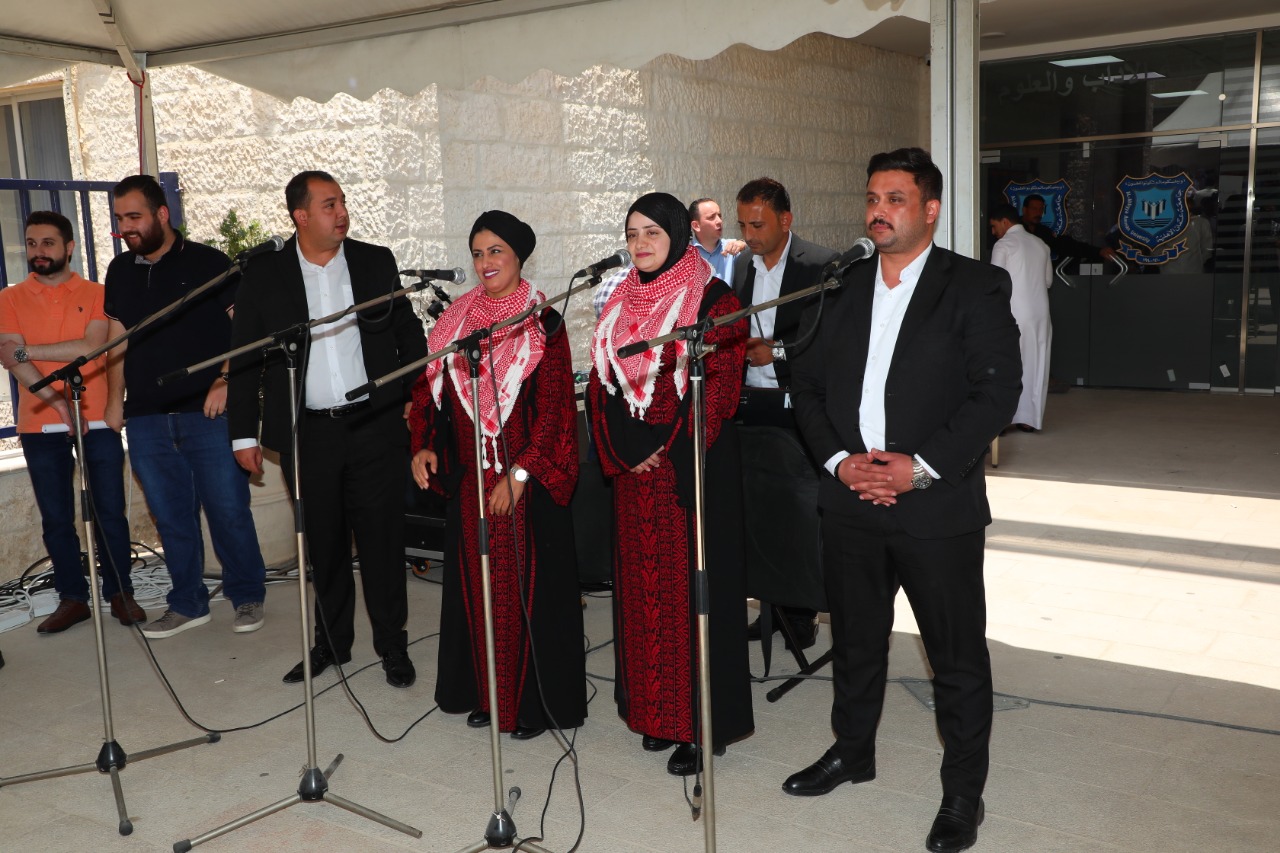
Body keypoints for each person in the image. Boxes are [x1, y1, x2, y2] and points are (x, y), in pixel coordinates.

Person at [786, 148, 1020, 853]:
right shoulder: (842, 283)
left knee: (955, 657)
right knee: (856, 643)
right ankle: (852, 752)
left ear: (930, 209)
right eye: (872, 198)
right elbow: (807, 385)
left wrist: (920, 469)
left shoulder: (974, 285)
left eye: (894, 198)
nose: (878, 211)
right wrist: (839, 463)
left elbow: (996, 393)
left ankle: (963, 793)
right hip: (851, 499)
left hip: (934, 506)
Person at [228, 170, 427, 688]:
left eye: (342, 202)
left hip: (374, 425)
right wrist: (243, 434)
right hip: (307, 433)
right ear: (300, 216)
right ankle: (332, 644)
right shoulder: (266, 274)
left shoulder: (374, 261)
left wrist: (412, 393)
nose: (342, 213)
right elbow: (245, 358)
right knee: (324, 544)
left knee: (383, 541)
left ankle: (392, 645)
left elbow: (408, 331)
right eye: (329, 205)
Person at [586, 191, 753, 776]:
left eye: (652, 232)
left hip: (690, 473)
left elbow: (719, 390)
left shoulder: (714, 298)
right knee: (643, 599)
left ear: (679, 236)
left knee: (691, 599)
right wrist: (626, 451)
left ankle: (700, 727)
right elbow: (600, 385)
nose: (640, 244)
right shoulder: (619, 301)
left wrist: (666, 449)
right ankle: (654, 714)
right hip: (636, 480)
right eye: (632, 234)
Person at [408, 210, 586, 738]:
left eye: (496, 251)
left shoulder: (543, 323)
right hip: (471, 484)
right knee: (479, 588)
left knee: (526, 592)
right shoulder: (455, 322)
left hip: (525, 486)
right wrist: (423, 445)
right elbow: (428, 392)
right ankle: (486, 694)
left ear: (518, 257)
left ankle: (532, 707)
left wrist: (521, 474)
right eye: (478, 253)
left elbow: (556, 411)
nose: (485, 262)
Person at [104, 174, 267, 639]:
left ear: (162, 214)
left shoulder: (209, 262)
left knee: (228, 510)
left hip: (207, 414)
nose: (125, 227)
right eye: (119, 218)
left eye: (134, 217)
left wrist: (225, 379)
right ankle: (188, 603)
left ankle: (247, 595)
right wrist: (115, 400)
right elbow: (116, 337)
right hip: (147, 417)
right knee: (170, 517)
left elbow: (246, 329)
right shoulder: (120, 270)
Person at [0, 211, 145, 633]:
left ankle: (120, 592)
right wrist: (58, 402)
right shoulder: (9, 298)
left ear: (69, 247)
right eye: (31, 243)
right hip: (39, 423)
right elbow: (11, 358)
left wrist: (27, 350)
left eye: (47, 243)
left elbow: (91, 347)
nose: (38, 251)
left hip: (97, 418)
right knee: (56, 518)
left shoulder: (98, 292)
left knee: (109, 512)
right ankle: (72, 598)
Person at [731, 177, 837, 650]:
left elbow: (831, 342)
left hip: (802, 408)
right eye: (743, 225)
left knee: (800, 514)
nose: (749, 235)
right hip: (752, 405)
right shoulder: (741, 266)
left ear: (786, 220)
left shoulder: (820, 264)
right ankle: (771, 607)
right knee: (762, 512)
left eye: (758, 225)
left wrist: (774, 353)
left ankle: (801, 612)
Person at [990, 203, 1052, 432]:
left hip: (1013, 311)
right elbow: (1048, 281)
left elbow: (995, 281)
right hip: (1040, 312)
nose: (993, 232)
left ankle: (1004, 418)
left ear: (1005, 222)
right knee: (1037, 363)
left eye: (994, 226)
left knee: (1008, 364)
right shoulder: (1041, 244)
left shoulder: (1004, 244)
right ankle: (1029, 419)